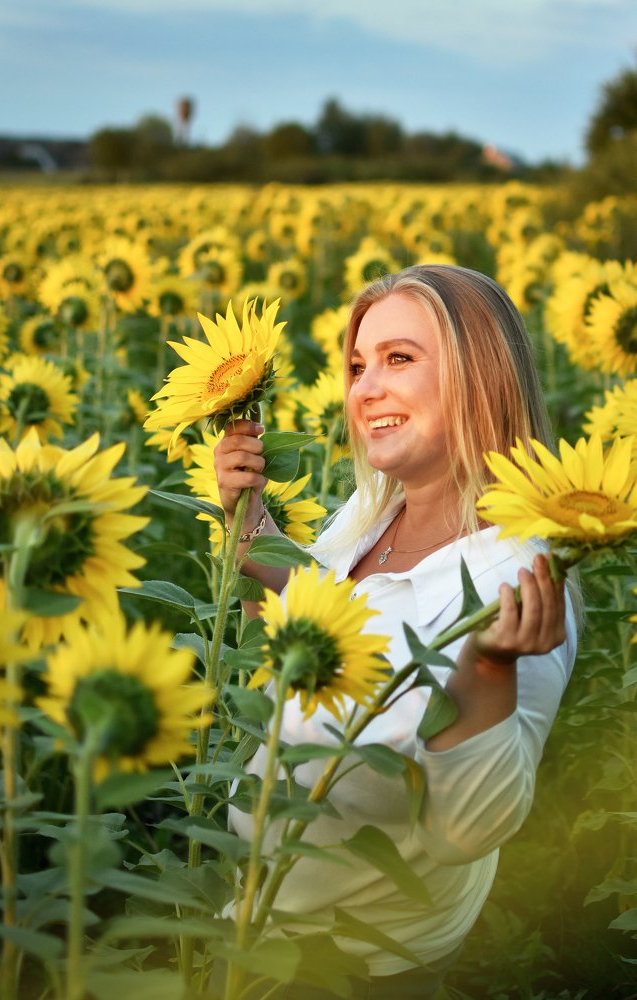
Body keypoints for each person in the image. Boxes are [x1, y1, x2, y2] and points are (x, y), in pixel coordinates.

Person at [213, 264, 578, 999]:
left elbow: (466, 832)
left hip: (347, 964)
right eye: (357, 367)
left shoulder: (517, 583)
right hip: (256, 915)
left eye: (399, 359)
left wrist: (486, 670)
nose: (364, 390)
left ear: (481, 377)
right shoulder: (375, 512)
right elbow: (307, 627)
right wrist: (250, 529)